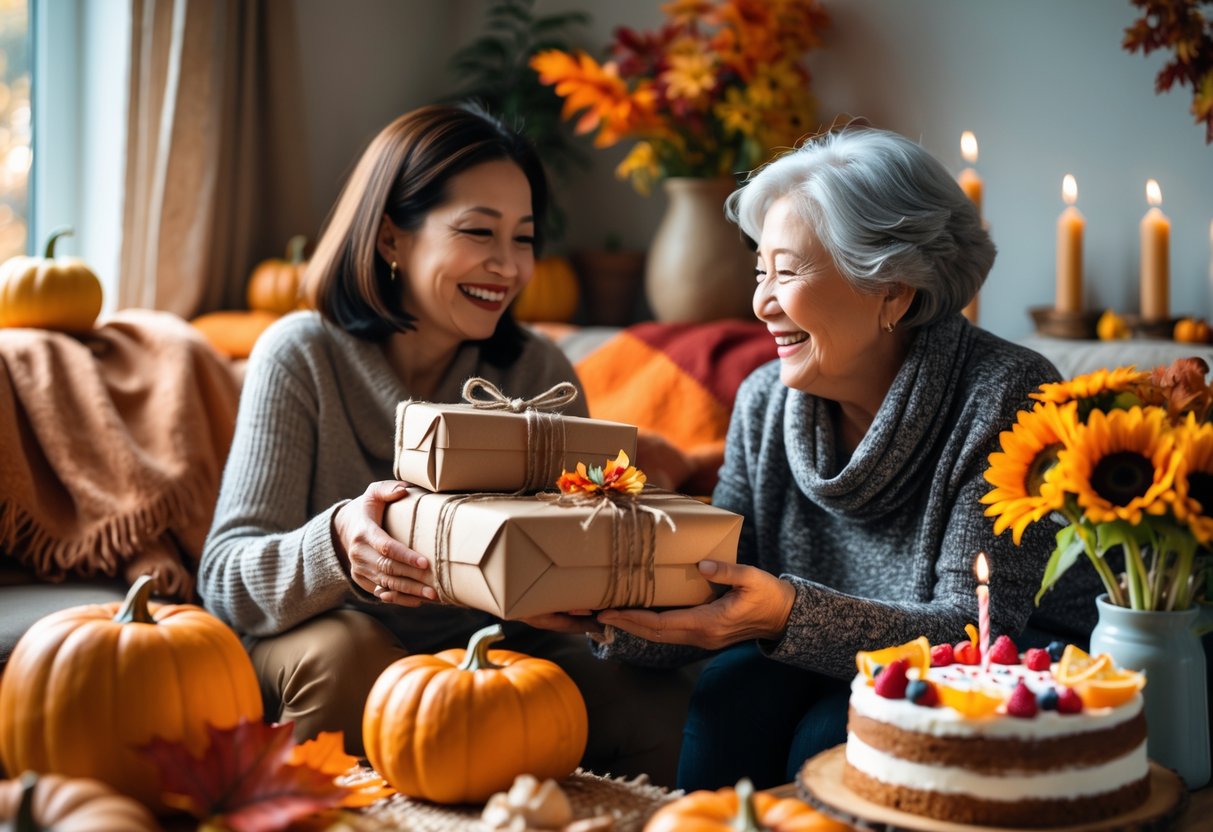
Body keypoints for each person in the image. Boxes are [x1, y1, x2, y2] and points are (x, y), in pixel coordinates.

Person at [571, 126, 1104, 791]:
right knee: (732, 692)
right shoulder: (764, 398)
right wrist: (599, 610)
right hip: (812, 648)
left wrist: (783, 613)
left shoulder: (1008, 395)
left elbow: (972, 630)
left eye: (785, 272)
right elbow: (714, 589)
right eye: (759, 272)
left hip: (1004, 673)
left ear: (892, 291)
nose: (761, 303)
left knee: (838, 728)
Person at [198, 103, 693, 785]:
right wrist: (337, 544)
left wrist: (586, 583)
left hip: (492, 650)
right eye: (476, 231)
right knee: (350, 651)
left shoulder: (537, 372)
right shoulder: (300, 355)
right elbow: (224, 581)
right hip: (330, 638)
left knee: (661, 709)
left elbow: (577, 540)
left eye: (522, 237)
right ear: (389, 239)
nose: (508, 265)